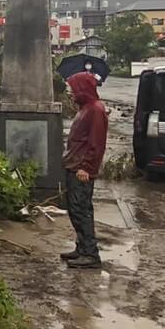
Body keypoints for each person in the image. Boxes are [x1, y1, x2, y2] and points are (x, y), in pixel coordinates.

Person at [61, 71, 108, 269]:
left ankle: (90, 254)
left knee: (82, 211)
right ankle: (81, 248)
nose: (71, 93)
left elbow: (96, 143)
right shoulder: (86, 108)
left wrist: (86, 167)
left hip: (81, 169)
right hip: (74, 166)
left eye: (73, 89)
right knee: (75, 209)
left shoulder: (95, 110)